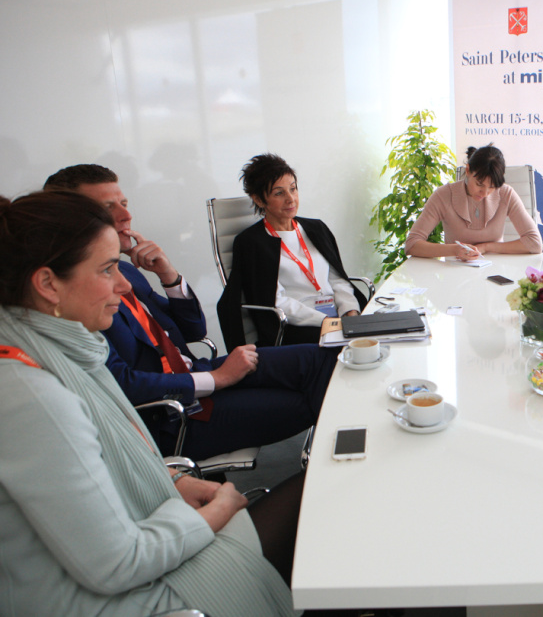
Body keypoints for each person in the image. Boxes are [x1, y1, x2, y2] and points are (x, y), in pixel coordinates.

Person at [0, 190, 301, 616]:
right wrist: (215, 513)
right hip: (119, 599)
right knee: (318, 504)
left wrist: (171, 481)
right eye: (106, 270)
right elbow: (117, 564)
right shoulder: (32, 396)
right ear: (48, 284)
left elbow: (88, 465)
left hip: (139, 542)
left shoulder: (55, 352)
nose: (123, 284)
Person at [44, 164, 334, 460]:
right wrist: (217, 379)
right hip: (172, 416)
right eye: (107, 208)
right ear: (71, 221)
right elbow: (122, 383)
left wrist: (169, 277)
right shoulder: (72, 298)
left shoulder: (127, 272)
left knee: (323, 358)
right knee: (308, 400)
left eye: (124, 203)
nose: (125, 215)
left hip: (195, 373)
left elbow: (194, 329)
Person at [219, 153, 365, 347]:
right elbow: (276, 301)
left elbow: (337, 280)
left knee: (380, 335)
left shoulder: (316, 228)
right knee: (353, 349)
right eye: (279, 193)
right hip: (297, 326)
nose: (291, 199)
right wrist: (328, 322)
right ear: (259, 200)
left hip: (337, 318)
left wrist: (350, 313)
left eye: (293, 189)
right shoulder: (251, 243)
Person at [405, 144, 542, 260]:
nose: (485, 193)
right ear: (468, 170)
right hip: (455, 274)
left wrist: (486, 247)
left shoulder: (506, 194)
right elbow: (412, 245)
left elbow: (535, 243)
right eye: (479, 184)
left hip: (496, 273)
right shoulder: (444, 195)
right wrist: (454, 250)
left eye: (492, 187)